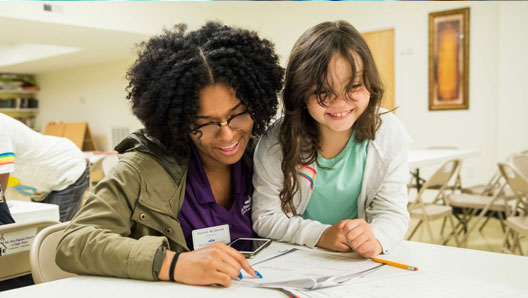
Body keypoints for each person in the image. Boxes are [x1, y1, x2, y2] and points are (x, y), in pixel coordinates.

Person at [56, 22, 284, 287]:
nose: (228, 135)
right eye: (205, 123)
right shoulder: (141, 169)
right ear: (178, 121)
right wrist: (173, 264)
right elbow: (74, 243)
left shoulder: (263, 156)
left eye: (238, 115)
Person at [252, 20, 411, 258]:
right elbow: (265, 217)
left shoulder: (388, 132)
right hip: (299, 257)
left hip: (357, 264)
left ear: (370, 84)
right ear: (301, 92)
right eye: (323, 92)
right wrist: (321, 235)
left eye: (354, 86)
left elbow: (392, 212)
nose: (340, 103)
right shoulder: (277, 141)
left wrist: (377, 237)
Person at [0, 113, 90, 222]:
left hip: (66, 170)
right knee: (39, 230)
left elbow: (2, 172)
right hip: (41, 184)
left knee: (53, 232)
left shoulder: (1, 126)